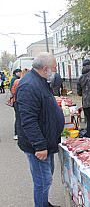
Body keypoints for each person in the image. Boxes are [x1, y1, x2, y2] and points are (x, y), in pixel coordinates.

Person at [15, 52, 64, 207]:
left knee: (47, 177)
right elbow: (28, 120)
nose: (55, 70)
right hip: (39, 144)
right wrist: (39, 145)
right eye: (54, 67)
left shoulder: (40, 81)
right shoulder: (29, 85)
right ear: (45, 68)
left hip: (46, 140)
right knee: (43, 181)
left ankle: (44, 203)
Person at [11, 68, 30, 140]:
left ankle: (16, 133)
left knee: (18, 118)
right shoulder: (28, 81)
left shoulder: (16, 81)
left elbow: (13, 92)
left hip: (17, 101)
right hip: (26, 101)